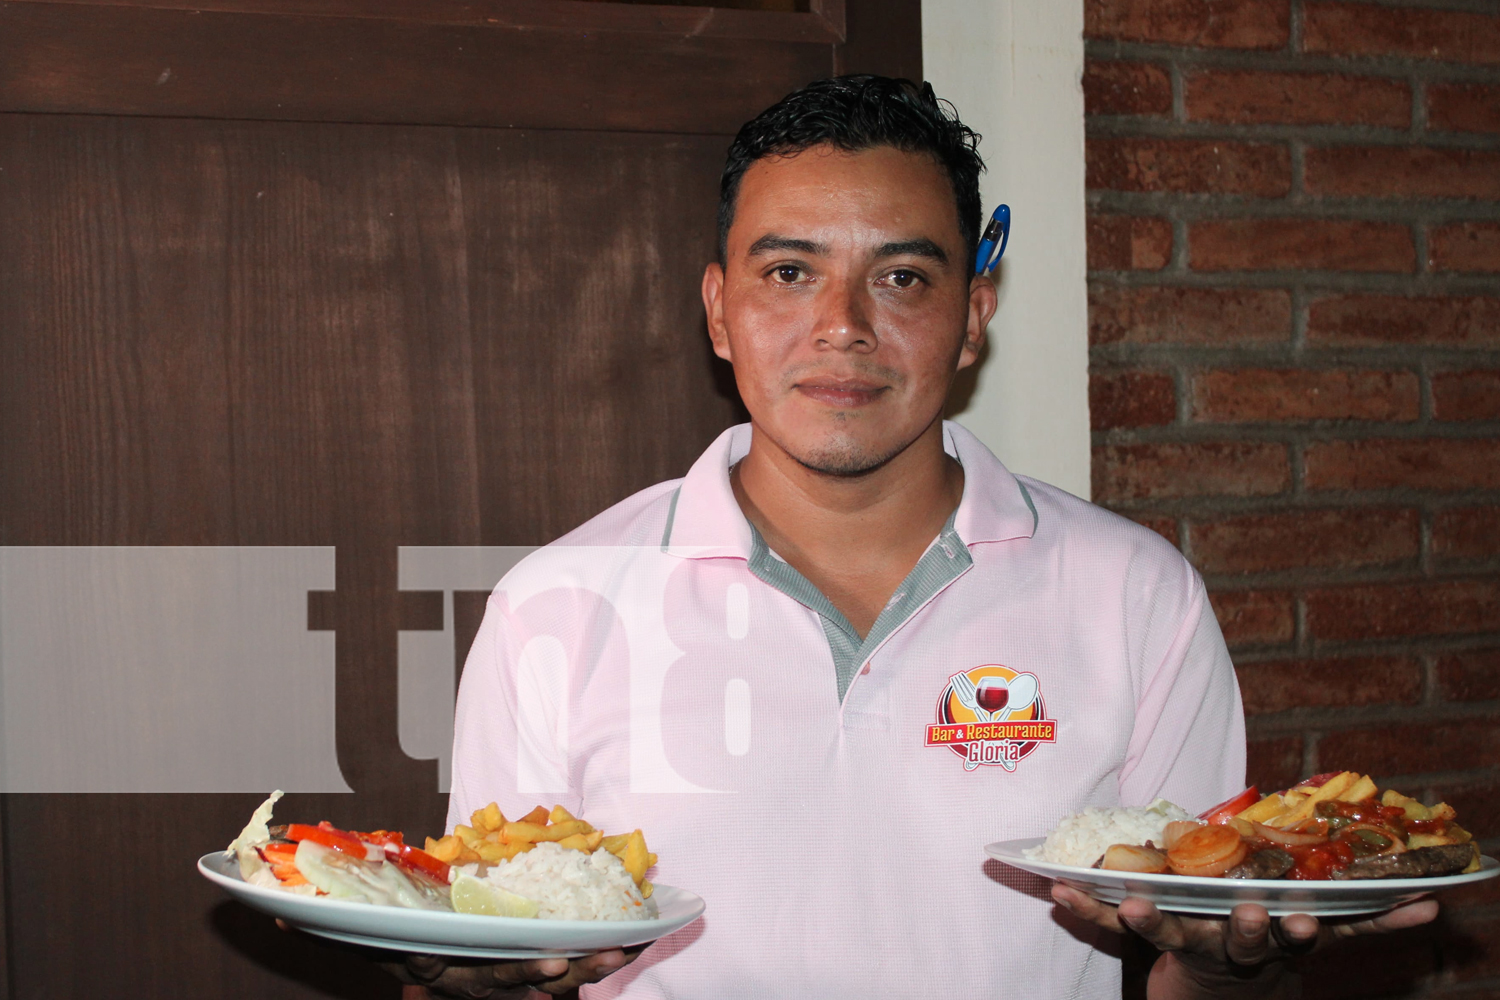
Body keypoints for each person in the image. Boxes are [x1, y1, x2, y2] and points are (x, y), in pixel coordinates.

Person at [397, 76, 1437, 999]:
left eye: (902, 277)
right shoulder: (559, 603)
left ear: (973, 314)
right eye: (789, 273)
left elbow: (1203, 950)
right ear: (719, 311)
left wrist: (1226, 971)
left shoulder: (1136, 598)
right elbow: (485, 961)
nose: (843, 324)